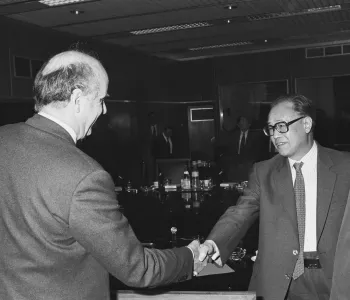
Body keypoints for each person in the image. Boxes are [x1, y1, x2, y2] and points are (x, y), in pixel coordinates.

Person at [0, 50, 206, 300]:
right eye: (100, 100)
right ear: (77, 99)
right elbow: (137, 268)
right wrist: (189, 257)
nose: (105, 110)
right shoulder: (84, 175)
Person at [198, 94, 350, 300]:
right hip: (278, 280)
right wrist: (213, 243)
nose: (275, 135)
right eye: (270, 129)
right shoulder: (264, 171)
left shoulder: (344, 167)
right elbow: (239, 213)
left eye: (281, 126)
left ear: (306, 124)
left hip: (333, 279)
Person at [222, 115, 267, 181]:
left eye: (244, 121)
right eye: (241, 121)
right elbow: (229, 152)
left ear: (249, 124)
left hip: (249, 166)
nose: (242, 123)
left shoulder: (255, 136)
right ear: (238, 124)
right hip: (234, 166)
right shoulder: (233, 136)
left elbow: (258, 153)